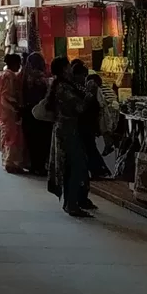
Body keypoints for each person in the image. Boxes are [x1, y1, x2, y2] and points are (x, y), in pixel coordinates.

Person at [46, 56, 91, 217]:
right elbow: (79, 108)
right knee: (76, 166)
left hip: (65, 129)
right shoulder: (63, 88)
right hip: (67, 130)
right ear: (63, 70)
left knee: (72, 166)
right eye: (67, 67)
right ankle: (71, 203)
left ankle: (72, 201)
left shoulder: (61, 85)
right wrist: (89, 95)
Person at [20, 52, 51, 177]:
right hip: (40, 113)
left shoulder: (24, 77)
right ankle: (40, 166)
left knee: (32, 141)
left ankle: (34, 166)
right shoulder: (41, 78)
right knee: (42, 141)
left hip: (27, 112)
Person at [0, 53, 25, 172]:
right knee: (13, 137)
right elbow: (7, 95)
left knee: (7, 135)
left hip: (2, 110)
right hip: (9, 110)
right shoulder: (11, 77)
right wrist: (16, 107)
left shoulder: (1, 75)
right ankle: (11, 163)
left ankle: (7, 160)